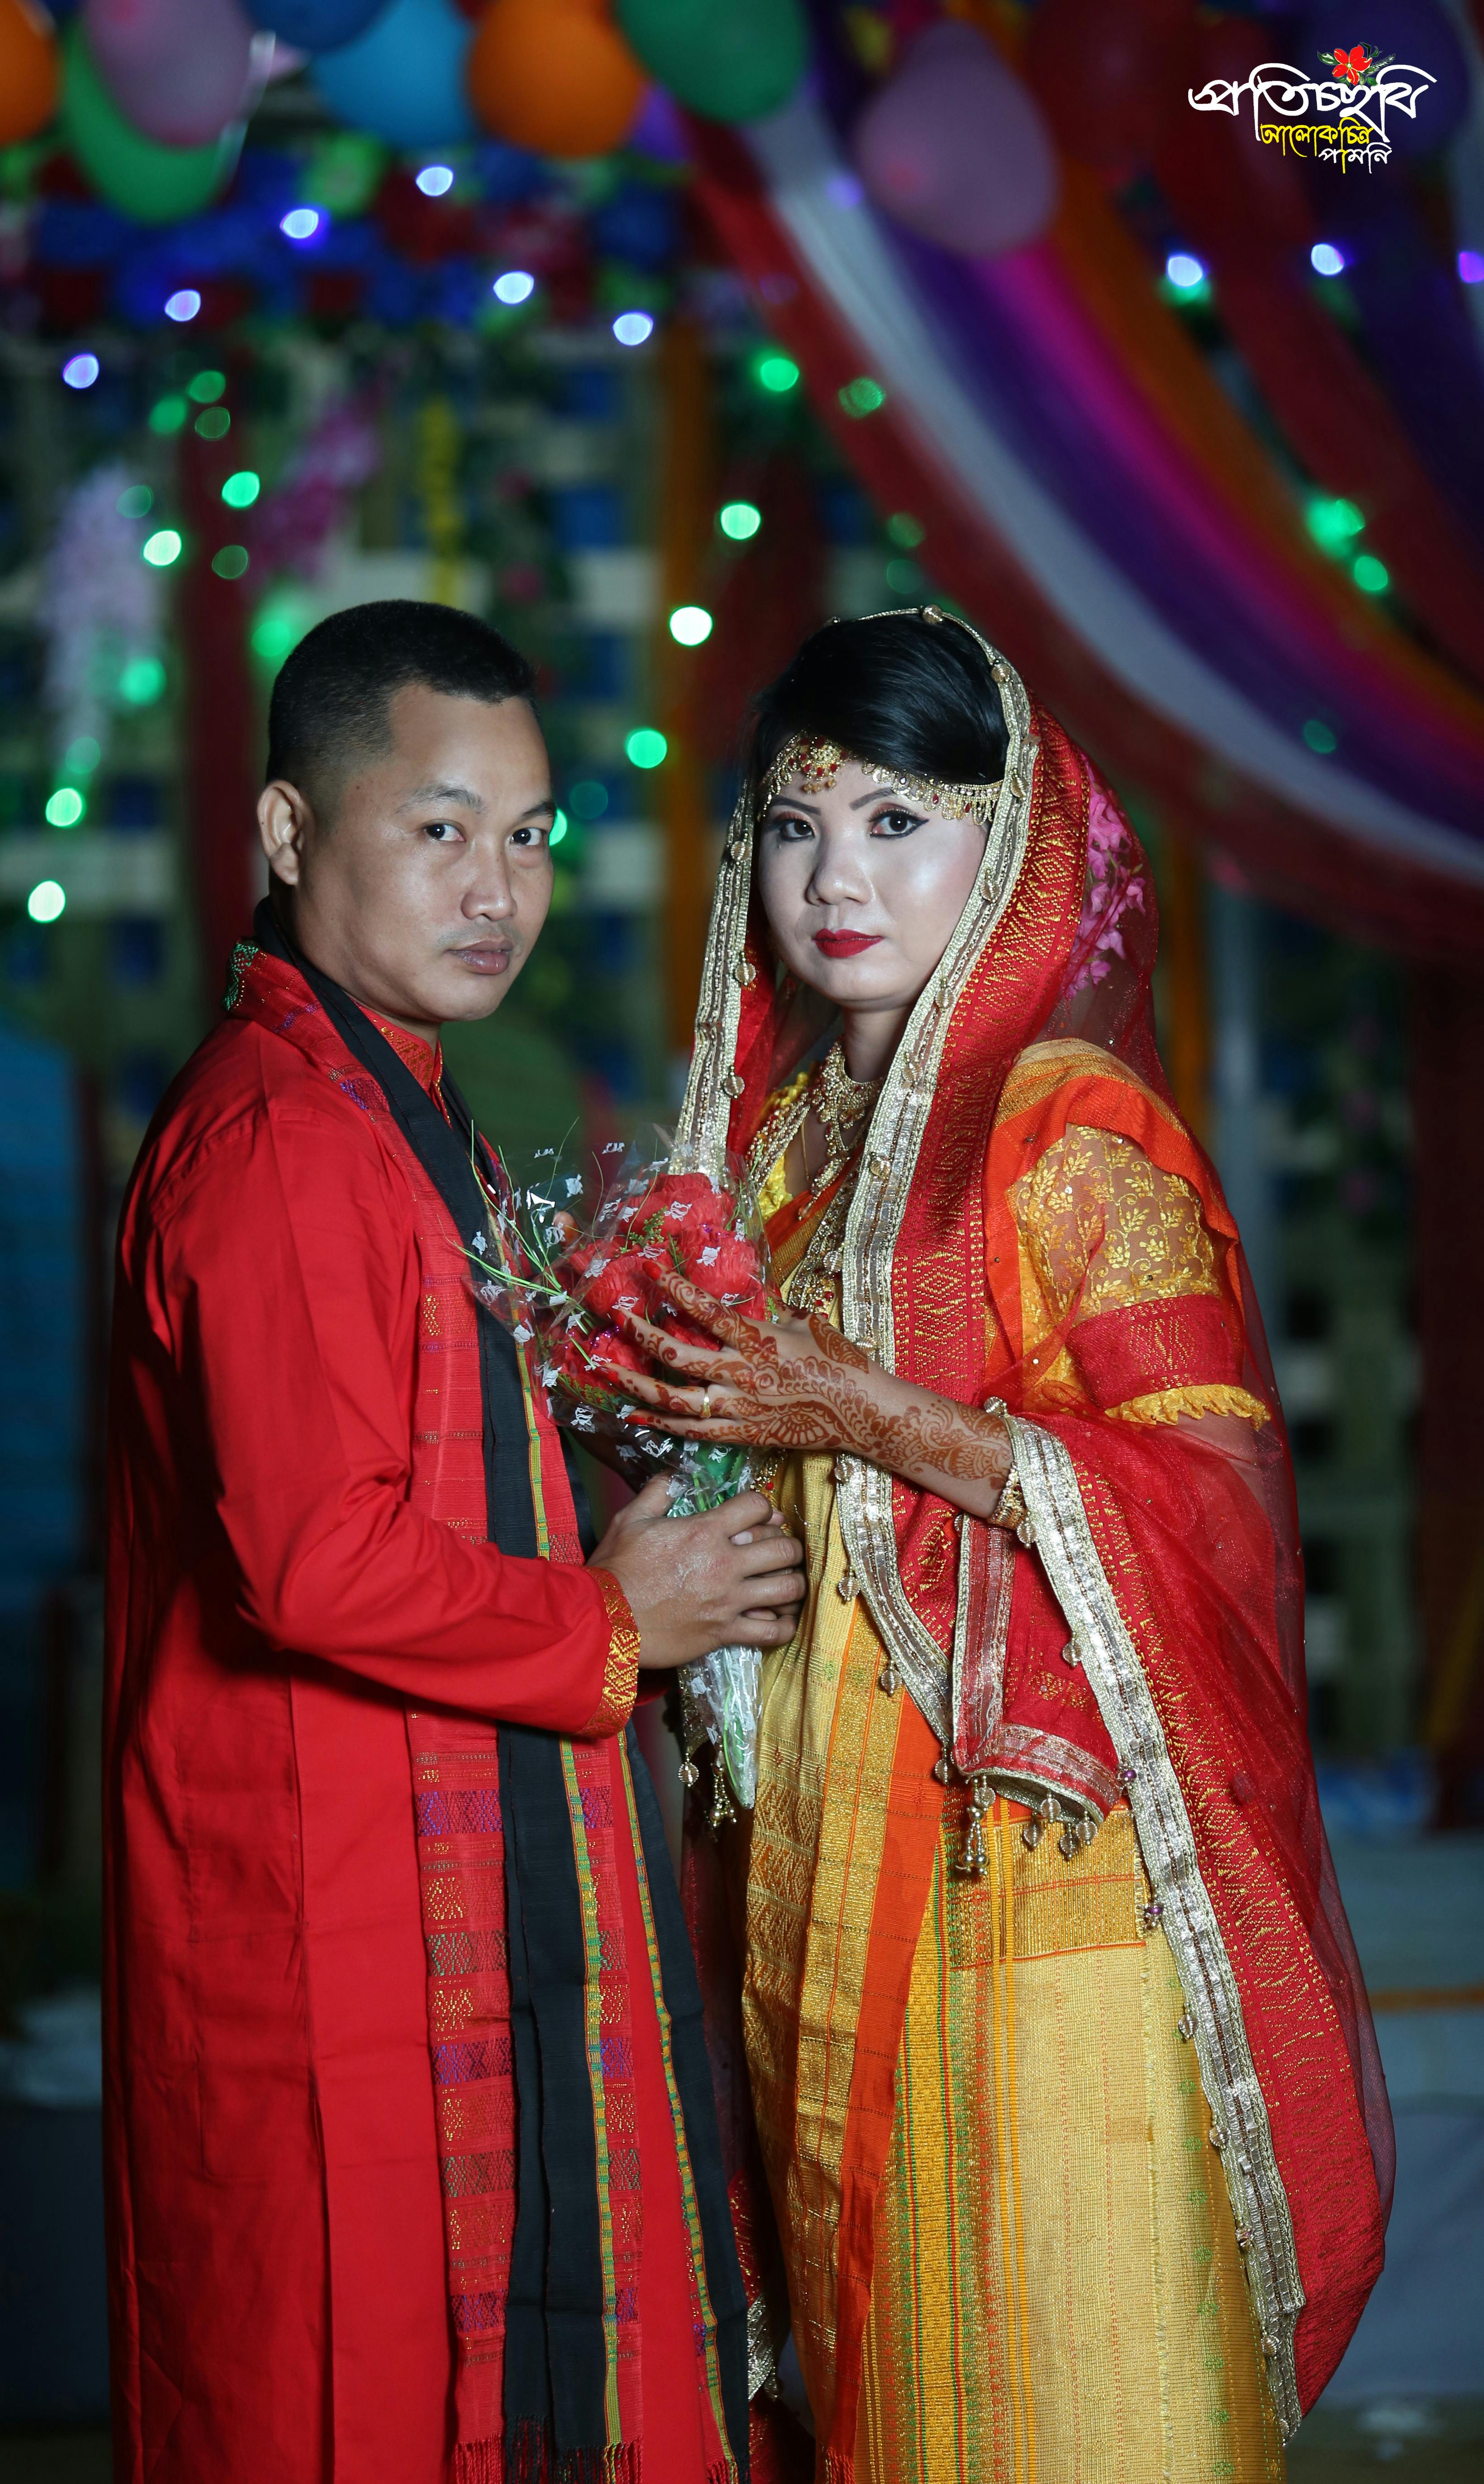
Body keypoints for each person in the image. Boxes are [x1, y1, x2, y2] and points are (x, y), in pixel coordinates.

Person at [613, 609, 1391, 2481]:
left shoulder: (1066, 1132)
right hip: (816, 1860)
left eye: (899, 822)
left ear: (1014, 839)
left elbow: (1204, 1489)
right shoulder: (780, 1147)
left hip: (1027, 1885)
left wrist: (857, 1410)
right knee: (860, 2368)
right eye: (796, 829)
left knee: (1052, 2369)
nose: (837, 880)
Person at [102, 600, 806, 2484]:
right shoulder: (289, 1148)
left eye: (530, 837)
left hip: (427, 1880)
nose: (497, 888)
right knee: (357, 2397)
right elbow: (317, 1562)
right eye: (438, 829)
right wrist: (612, 1615)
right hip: (328, 1914)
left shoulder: (401, 1114)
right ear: (283, 834)